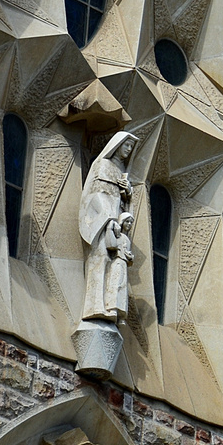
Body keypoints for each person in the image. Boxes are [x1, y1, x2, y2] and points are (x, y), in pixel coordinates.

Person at [80, 132, 137, 322]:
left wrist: (127, 190)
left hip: (116, 224)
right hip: (104, 223)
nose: (128, 151)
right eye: (126, 146)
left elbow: (123, 202)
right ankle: (94, 306)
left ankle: (109, 304)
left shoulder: (121, 170)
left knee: (113, 266)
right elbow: (96, 195)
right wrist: (109, 219)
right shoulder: (103, 165)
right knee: (100, 259)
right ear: (117, 145)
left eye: (130, 147)